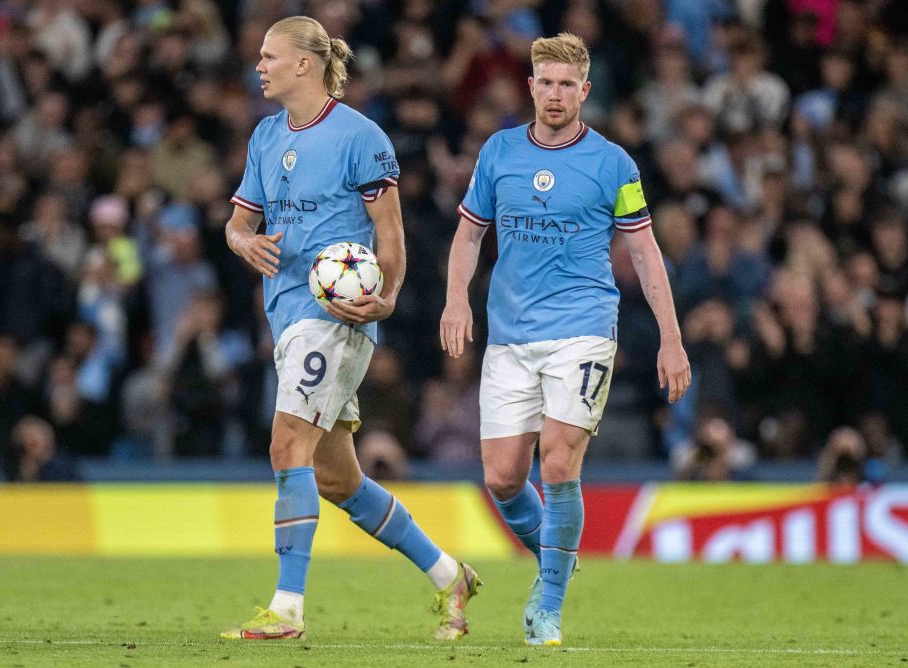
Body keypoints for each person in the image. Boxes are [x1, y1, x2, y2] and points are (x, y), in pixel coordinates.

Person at [221, 16, 478, 642]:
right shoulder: (265, 136)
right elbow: (237, 223)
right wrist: (242, 243)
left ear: (304, 64)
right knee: (337, 478)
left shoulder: (361, 136)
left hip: (335, 317)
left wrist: (386, 297)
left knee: (287, 447)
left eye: (269, 56)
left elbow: (390, 234)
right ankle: (450, 575)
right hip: (284, 313)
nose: (259, 65)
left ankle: (287, 608)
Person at [440, 33, 691, 646]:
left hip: (581, 329)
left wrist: (671, 338)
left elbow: (645, 253)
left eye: (566, 85)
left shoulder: (614, 165)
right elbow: (470, 236)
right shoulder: (498, 152)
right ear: (530, 87)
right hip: (509, 335)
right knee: (501, 477)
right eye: (544, 83)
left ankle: (547, 606)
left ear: (585, 90)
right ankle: (557, 555)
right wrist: (454, 300)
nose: (555, 94)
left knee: (558, 460)